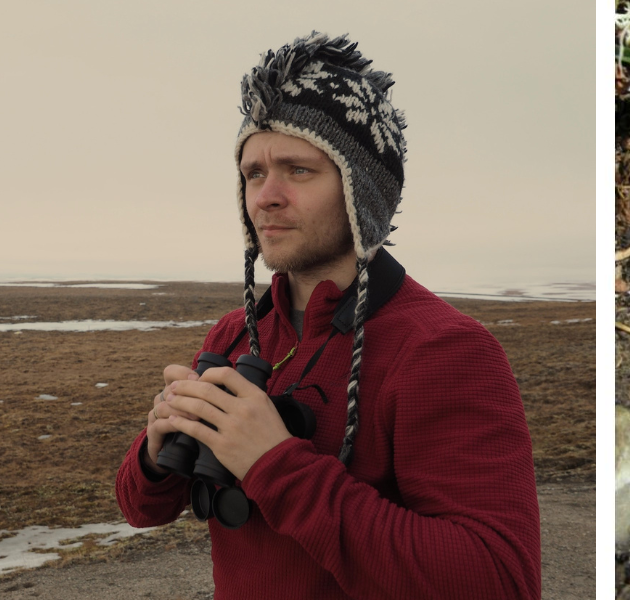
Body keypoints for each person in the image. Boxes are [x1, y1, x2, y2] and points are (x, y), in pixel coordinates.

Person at [114, 31, 541, 599]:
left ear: (362, 193)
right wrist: (157, 447)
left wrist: (275, 463)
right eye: (254, 173)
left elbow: (499, 581)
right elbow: (141, 509)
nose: (266, 196)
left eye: (298, 170)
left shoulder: (443, 350)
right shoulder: (236, 335)